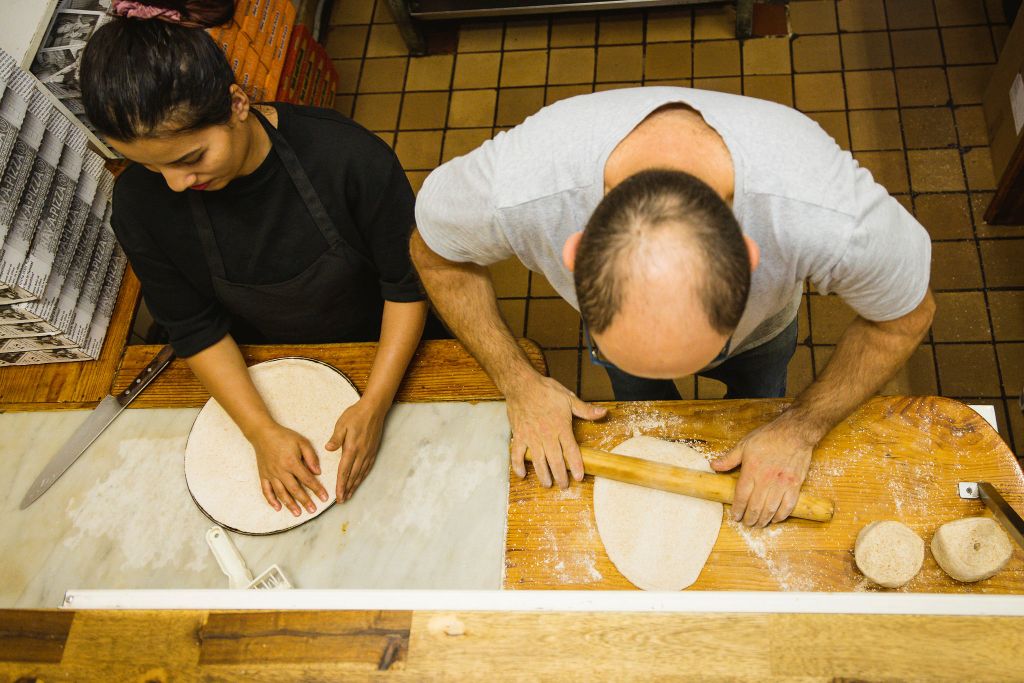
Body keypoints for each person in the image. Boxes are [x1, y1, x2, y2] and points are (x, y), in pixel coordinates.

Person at [411, 86, 935, 527]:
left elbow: (903, 321)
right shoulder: (518, 190)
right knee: (644, 407)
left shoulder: (827, 215)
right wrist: (518, 382)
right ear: (574, 252)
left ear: (750, 256)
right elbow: (435, 258)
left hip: (762, 336)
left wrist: (800, 427)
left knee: (761, 397)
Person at [80, 0, 444, 516]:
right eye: (152, 168)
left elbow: (406, 286)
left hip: (386, 347)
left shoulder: (346, 157)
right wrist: (260, 430)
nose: (177, 184)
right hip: (266, 371)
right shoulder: (140, 206)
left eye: (191, 158)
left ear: (236, 103)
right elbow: (195, 327)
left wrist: (375, 403)